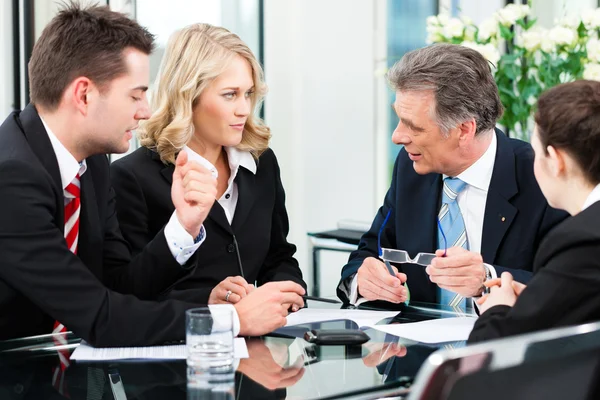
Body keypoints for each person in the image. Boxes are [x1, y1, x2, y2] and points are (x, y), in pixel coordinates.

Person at [0, 3, 304, 347]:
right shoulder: (11, 177)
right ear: (84, 94)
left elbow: (120, 288)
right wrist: (232, 319)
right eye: (135, 95)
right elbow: (99, 316)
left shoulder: (92, 165)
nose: (146, 111)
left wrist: (184, 227)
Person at [337, 43, 567, 308]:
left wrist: (487, 279)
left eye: (413, 126)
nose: (397, 136)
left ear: (464, 130)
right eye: (399, 119)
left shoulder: (541, 176)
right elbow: (370, 250)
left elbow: (571, 288)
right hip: (418, 347)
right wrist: (362, 279)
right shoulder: (411, 168)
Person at [110, 23, 305, 306]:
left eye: (248, 94)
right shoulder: (130, 178)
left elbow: (279, 257)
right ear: (188, 96)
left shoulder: (262, 164)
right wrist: (207, 301)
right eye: (230, 94)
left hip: (257, 340)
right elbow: (128, 292)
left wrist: (287, 292)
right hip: (178, 343)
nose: (244, 109)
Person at [469, 80, 600, 342]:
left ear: (556, 160)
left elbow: (493, 348)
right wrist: (536, 299)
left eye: (536, 153)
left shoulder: (579, 241)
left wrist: (497, 309)